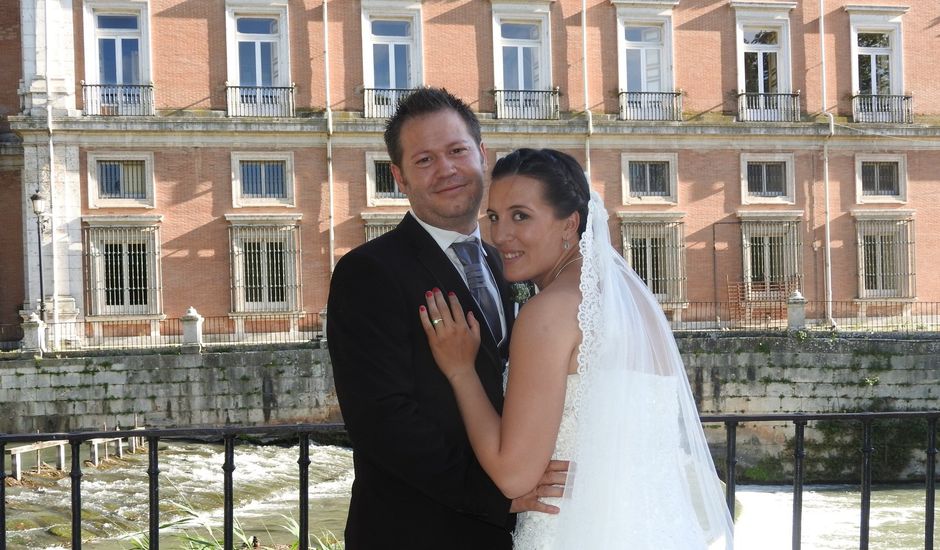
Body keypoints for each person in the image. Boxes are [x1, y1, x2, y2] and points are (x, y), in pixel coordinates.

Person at [420, 148, 735, 549]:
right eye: (494, 217)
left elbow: (513, 475)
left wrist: (460, 371)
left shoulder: (548, 313)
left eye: (521, 216)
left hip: (571, 530)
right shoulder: (638, 306)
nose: (499, 236)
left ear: (570, 225)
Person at [326, 89, 564, 549]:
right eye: (424, 160)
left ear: (481, 153)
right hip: (419, 532)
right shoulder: (369, 272)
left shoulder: (511, 261)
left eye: (456, 151)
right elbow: (382, 421)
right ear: (399, 176)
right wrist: (500, 495)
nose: (447, 170)